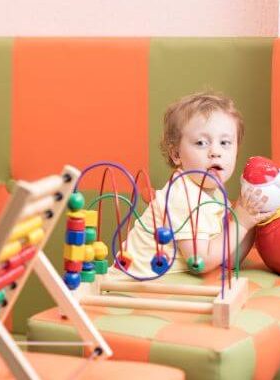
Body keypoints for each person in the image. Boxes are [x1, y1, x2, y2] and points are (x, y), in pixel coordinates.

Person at [110, 92, 271, 280]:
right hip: (130, 283)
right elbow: (200, 260)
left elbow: (228, 258)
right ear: (176, 153)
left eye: (225, 142)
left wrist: (252, 222)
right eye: (201, 143)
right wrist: (241, 223)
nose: (215, 152)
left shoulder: (215, 192)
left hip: (167, 282)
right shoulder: (181, 196)